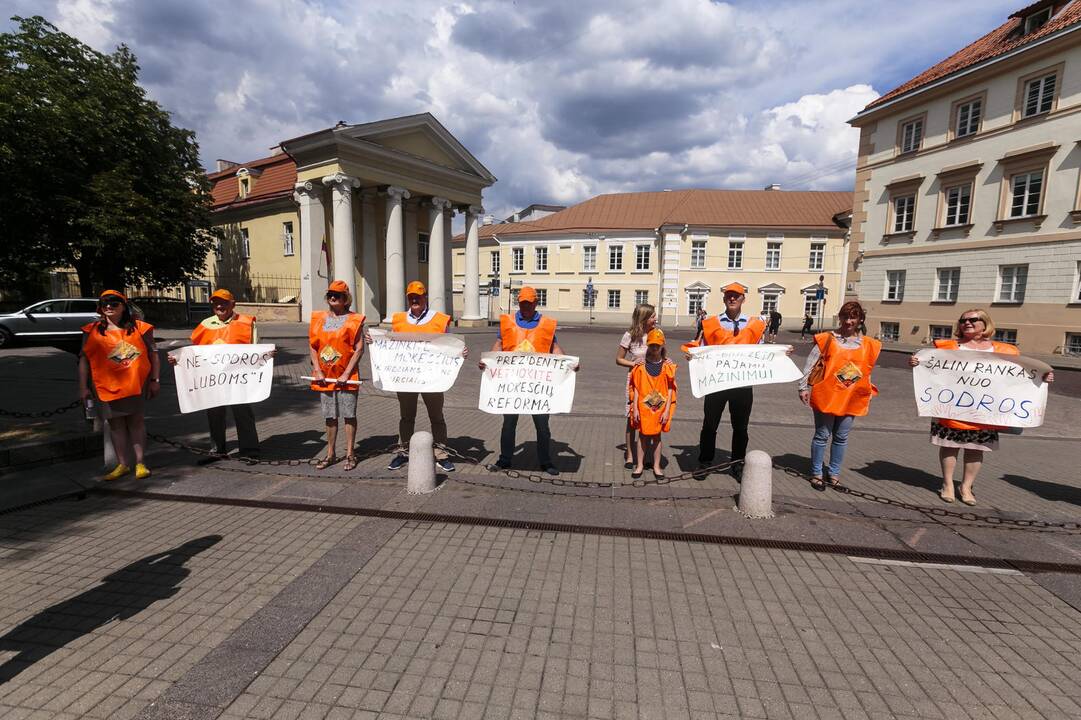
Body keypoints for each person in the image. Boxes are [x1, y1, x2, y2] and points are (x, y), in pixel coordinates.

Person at [908, 309, 1054, 505]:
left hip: (985, 411)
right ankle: (948, 484)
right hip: (952, 408)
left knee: (976, 449)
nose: (967, 323)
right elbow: (928, 364)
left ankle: (966, 486)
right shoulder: (947, 347)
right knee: (949, 446)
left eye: (973, 320)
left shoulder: (1004, 352)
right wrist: (915, 362)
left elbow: (1024, 374)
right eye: (963, 320)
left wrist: (1044, 377)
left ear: (985, 324)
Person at [682, 282, 792, 480]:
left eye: (737, 296)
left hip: (742, 385)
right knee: (709, 424)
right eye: (729, 295)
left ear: (743, 299)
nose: (732, 298)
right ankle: (705, 461)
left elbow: (760, 352)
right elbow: (700, 346)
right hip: (716, 383)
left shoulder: (754, 325)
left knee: (740, 428)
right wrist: (692, 354)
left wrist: (780, 354)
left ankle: (737, 463)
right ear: (724, 298)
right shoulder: (710, 323)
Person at [479, 286, 578, 475]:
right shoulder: (507, 322)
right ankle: (505, 459)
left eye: (529, 303)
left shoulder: (546, 324)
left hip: (537, 387)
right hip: (511, 385)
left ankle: (546, 461)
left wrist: (568, 363)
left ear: (535, 303)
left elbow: (554, 348)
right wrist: (487, 362)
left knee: (542, 426)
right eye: (522, 303)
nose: (525, 307)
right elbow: (499, 345)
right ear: (519, 302)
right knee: (509, 423)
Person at [167, 289, 267, 464]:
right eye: (216, 303)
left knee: (243, 414)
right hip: (212, 381)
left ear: (233, 304)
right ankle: (217, 450)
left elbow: (256, 349)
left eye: (224, 303)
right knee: (214, 415)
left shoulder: (246, 323)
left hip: (237, 378)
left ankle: (250, 451)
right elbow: (194, 353)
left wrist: (266, 355)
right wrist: (178, 359)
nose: (220, 306)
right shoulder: (205, 325)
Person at [384, 281, 467, 473]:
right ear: (407, 298)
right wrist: (375, 341)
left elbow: (450, 343)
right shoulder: (399, 320)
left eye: (418, 296)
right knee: (406, 417)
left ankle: (441, 454)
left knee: (436, 417)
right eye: (411, 296)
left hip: (433, 378)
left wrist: (459, 351)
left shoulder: (439, 319)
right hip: (407, 378)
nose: (414, 299)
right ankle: (403, 452)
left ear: (425, 297)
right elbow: (390, 344)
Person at [798, 301, 881, 490]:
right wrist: (803, 387)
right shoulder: (827, 339)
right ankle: (817, 473)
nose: (848, 321)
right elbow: (810, 364)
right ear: (840, 317)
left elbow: (866, 370)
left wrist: (868, 390)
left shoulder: (869, 345)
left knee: (841, 437)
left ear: (860, 320)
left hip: (852, 397)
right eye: (845, 316)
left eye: (853, 317)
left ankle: (834, 474)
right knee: (822, 435)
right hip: (827, 394)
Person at [77, 290, 160, 481]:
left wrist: (155, 380)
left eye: (114, 304)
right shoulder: (92, 330)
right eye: (105, 303)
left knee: (136, 423)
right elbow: (84, 360)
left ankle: (140, 463)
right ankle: (122, 464)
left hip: (135, 385)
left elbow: (154, 355)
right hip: (106, 386)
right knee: (116, 425)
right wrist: (83, 387)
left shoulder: (141, 328)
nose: (109, 307)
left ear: (123, 306)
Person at [309, 280, 365, 470]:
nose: (333, 297)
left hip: (346, 376)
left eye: (338, 295)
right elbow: (313, 346)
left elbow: (358, 349)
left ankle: (350, 454)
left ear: (345, 299)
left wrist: (347, 373)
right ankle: (330, 453)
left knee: (349, 415)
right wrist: (317, 369)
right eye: (330, 294)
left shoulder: (354, 320)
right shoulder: (319, 319)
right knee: (330, 416)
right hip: (325, 377)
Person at [628, 329, 677, 479]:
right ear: (648, 345)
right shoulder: (641, 366)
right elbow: (636, 388)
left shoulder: (667, 366)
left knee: (657, 437)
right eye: (652, 345)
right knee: (642, 436)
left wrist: (667, 410)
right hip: (643, 407)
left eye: (658, 345)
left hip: (660, 408)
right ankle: (640, 465)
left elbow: (670, 389)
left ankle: (657, 466)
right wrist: (635, 408)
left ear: (662, 345)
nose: (655, 348)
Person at [616, 303, 655, 468]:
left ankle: (645, 455)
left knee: (649, 416)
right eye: (652, 316)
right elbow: (619, 359)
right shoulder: (629, 335)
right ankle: (630, 455)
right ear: (644, 318)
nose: (656, 319)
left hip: (653, 380)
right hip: (634, 380)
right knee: (632, 419)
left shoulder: (656, 333)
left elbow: (663, 353)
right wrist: (633, 364)